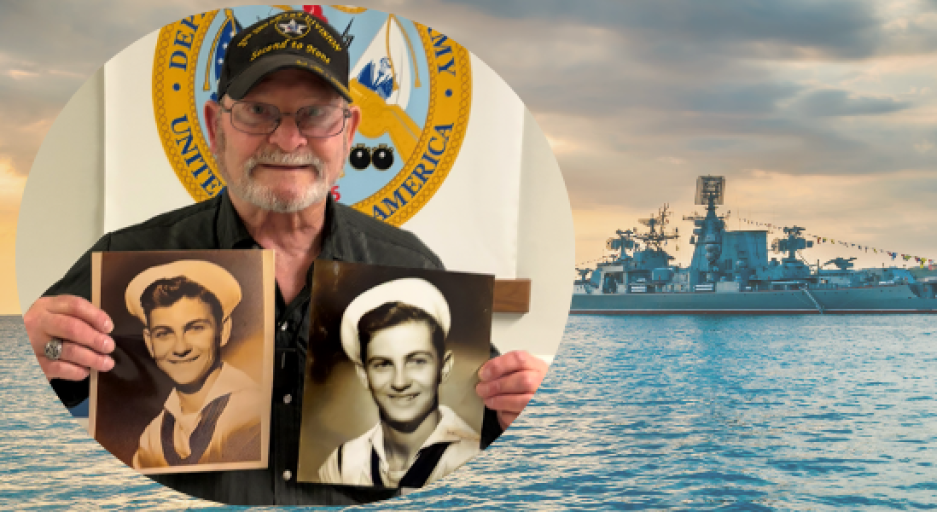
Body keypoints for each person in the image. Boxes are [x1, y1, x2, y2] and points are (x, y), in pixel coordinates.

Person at [23, 9, 548, 507]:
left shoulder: (409, 266)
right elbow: (43, 424)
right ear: (215, 126)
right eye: (258, 111)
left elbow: (475, 433)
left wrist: (514, 413)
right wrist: (36, 360)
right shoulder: (126, 257)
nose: (288, 138)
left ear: (348, 131)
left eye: (315, 114)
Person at [317, 278, 479, 489]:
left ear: (444, 367)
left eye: (416, 361)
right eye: (383, 364)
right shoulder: (342, 464)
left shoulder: (474, 461)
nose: (400, 382)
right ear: (364, 375)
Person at [125, 260, 262, 470]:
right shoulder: (152, 438)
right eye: (164, 334)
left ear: (223, 331)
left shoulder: (253, 414)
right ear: (149, 342)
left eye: (195, 328)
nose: (180, 348)